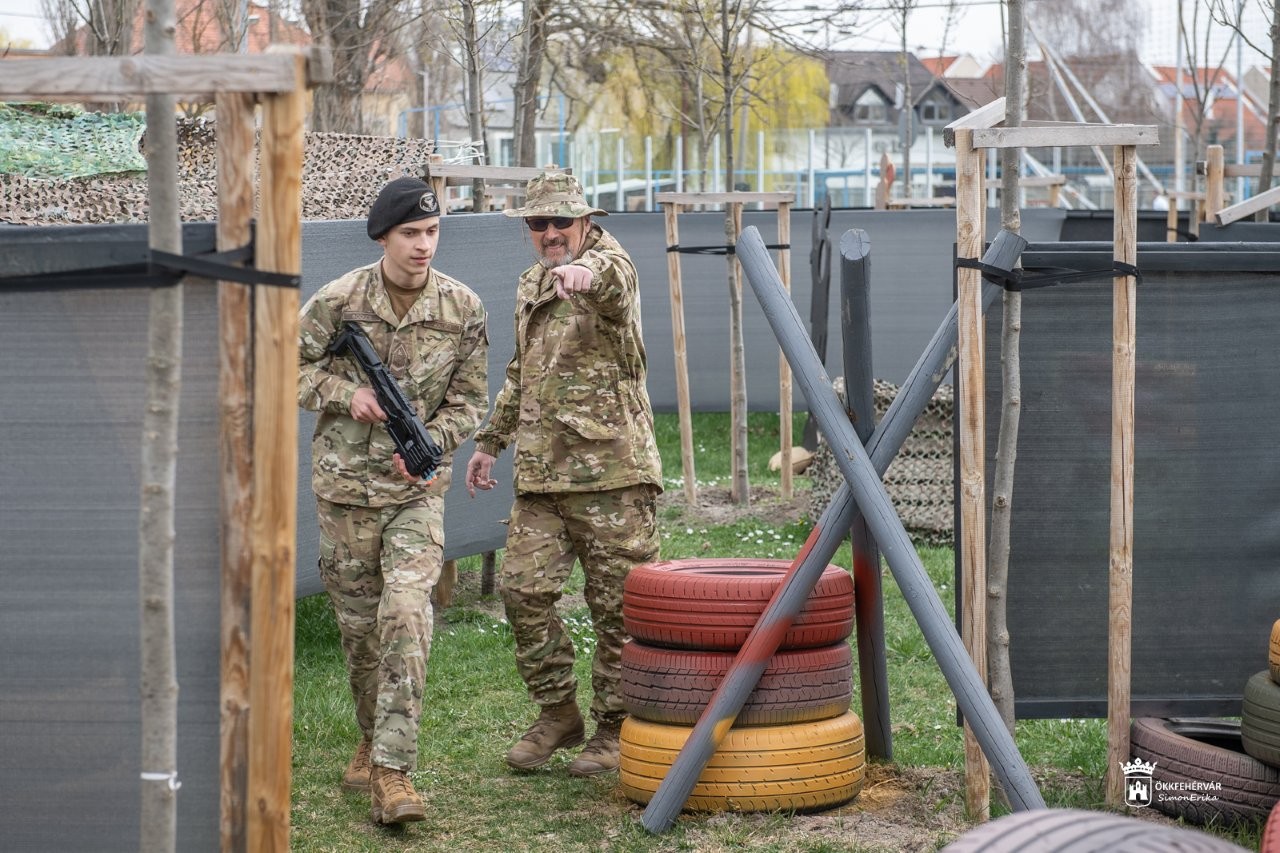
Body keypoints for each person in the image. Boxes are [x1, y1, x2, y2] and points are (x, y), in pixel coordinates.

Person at [297, 176, 488, 824]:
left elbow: (470, 401)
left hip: (416, 493)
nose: (423, 244)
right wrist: (343, 393)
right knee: (360, 636)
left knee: (406, 614)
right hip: (346, 494)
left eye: (432, 231)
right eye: (411, 233)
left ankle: (392, 773)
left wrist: (431, 442)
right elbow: (283, 365)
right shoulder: (339, 300)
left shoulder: (463, 307)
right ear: (384, 237)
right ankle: (369, 739)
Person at [466, 171, 662, 778]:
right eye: (538, 223)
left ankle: (614, 727)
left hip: (612, 475)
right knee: (522, 592)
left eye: (561, 222)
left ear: (584, 222)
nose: (550, 233)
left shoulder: (611, 265)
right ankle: (558, 712)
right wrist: (490, 442)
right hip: (542, 475)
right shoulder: (532, 282)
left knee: (618, 609)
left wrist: (587, 276)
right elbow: (523, 370)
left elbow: (613, 286)